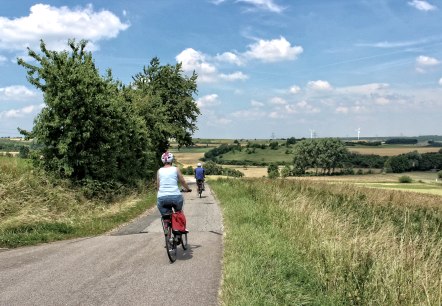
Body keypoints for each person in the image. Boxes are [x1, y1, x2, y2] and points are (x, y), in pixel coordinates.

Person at [157, 151, 191, 217]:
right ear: (172, 160)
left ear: (162, 161)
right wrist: (188, 189)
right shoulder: (176, 169)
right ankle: (181, 225)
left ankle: (166, 223)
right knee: (179, 213)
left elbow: (158, 184)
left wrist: (161, 193)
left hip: (162, 197)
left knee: (165, 215)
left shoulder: (159, 171)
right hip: (175, 196)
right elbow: (182, 181)